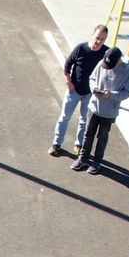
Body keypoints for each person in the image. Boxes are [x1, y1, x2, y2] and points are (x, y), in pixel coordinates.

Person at [50, 24, 109, 157]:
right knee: (65, 117)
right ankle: (56, 144)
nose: (99, 42)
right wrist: (68, 82)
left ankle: (79, 144)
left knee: (84, 120)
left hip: (90, 93)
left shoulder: (105, 53)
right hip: (74, 90)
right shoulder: (81, 48)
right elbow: (68, 65)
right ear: (92, 35)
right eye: (97, 38)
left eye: (102, 39)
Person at [73, 47, 129, 174]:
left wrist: (111, 94)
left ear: (119, 60)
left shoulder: (127, 71)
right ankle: (83, 158)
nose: (106, 66)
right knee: (87, 135)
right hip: (94, 107)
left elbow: (128, 92)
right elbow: (92, 78)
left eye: (110, 64)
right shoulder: (102, 63)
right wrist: (94, 88)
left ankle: (96, 162)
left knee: (102, 137)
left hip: (109, 112)